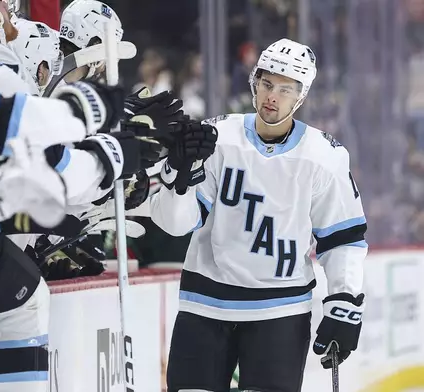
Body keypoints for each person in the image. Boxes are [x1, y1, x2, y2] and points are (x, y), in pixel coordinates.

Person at [151, 38, 367, 392]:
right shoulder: (216, 138)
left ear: (301, 96)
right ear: (254, 82)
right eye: (267, 83)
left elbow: (343, 239)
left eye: (285, 89)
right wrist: (179, 175)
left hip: (279, 313)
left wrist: (344, 302)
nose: (272, 96)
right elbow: (174, 225)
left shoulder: (324, 157)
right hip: (205, 306)